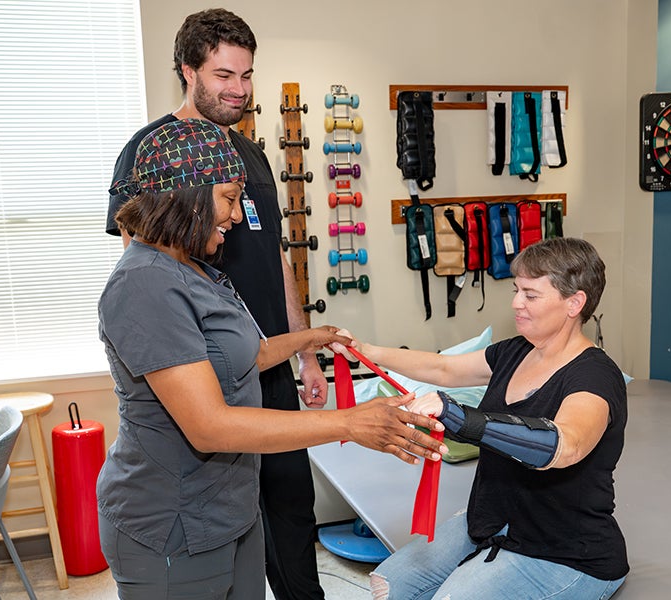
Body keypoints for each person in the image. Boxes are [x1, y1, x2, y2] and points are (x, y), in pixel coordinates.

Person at [97, 118, 447, 600]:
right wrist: (349, 423)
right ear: (188, 195)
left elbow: (247, 355)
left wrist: (309, 339)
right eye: (229, 198)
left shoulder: (193, 267)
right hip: (172, 526)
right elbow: (209, 426)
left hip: (232, 511)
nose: (238, 216)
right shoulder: (143, 285)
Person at [105, 10, 331, 598]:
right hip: (201, 377)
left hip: (259, 359)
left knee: (287, 516)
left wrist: (304, 348)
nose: (238, 89)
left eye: (247, 76)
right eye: (223, 74)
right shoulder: (150, 156)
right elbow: (149, 281)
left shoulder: (248, 155)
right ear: (187, 70)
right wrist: (354, 426)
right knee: (203, 529)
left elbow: (276, 256)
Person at [332, 237, 628, 600]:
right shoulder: (515, 351)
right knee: (388, 586)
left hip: (564, 550)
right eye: (516, 290)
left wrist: (460, 418)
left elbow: (565, 445)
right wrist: (364, 350)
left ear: (574, 302)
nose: (516, 303)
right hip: (494, 519)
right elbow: (442, 368)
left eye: (531, 295)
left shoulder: (595, 376)